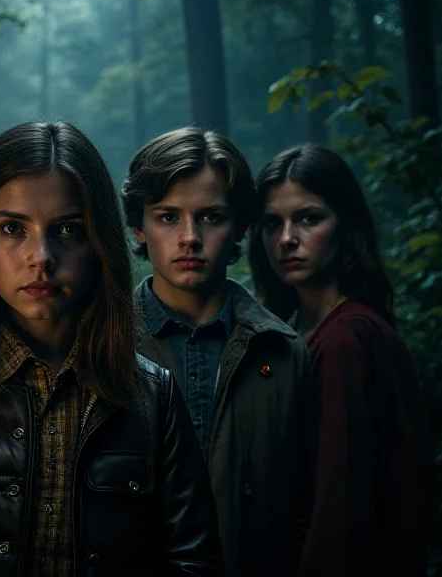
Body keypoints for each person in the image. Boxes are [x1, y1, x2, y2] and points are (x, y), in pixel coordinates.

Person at [0, 121, 223, 576]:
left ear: (100, 242)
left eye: (68, 229)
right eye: (12, 228)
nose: (41, 256)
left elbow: (194, 559)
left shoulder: (152, 394)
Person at [122, 127, 314, 577]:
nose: (190, 237)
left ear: (239, 227)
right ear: (139, 226)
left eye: (210, 217)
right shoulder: (101, 346)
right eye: (168, 217)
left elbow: (306, 506)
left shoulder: (284, 353)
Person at [249, 144, 432, 576]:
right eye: (272, 223)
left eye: (309, 218)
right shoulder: (299, 337)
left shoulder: (346, 339)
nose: (287, 239)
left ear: (345, 223)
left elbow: (339, 509)